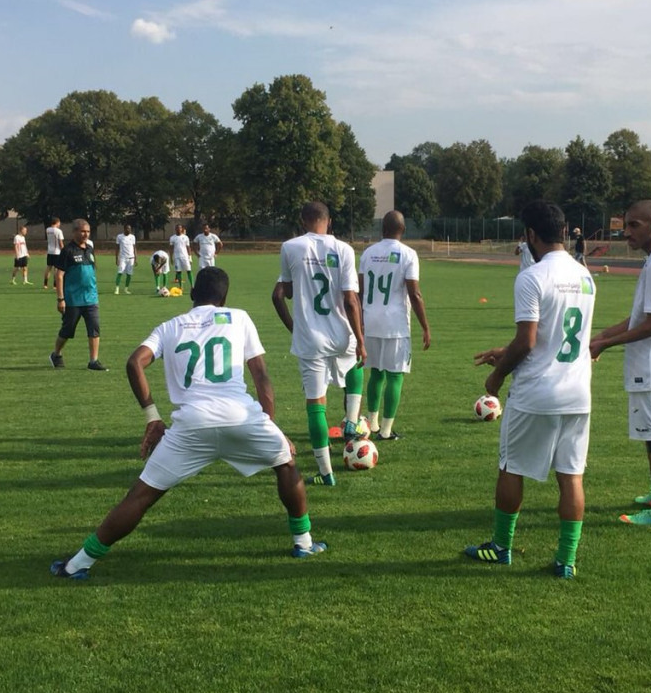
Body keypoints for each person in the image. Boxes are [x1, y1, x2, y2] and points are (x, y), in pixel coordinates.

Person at [50, 267, 326, 580]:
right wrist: (270, 428)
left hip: (191, 424)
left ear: (192, 293)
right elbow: (261, 376)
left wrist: (153, 417)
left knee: (141, 495)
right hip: (241, 416)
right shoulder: (239, 317)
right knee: (286, 465)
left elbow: (134, 362)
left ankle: (78, 564)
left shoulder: (170, 327)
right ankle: (303, 543)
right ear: (224, 298)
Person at [465, 202, 595, 580]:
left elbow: (528, 341)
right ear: (564, 231)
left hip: (537, 392)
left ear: (530, 235)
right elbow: (551, 339)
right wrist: (504, 351)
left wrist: (497, 376)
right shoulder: (586, 276)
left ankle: (501, 547)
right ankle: (566, 560)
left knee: (511, 467)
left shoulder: (532, 276)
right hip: (577, 392)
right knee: (571, 476)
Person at [590, 199, 651, 528]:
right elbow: (642, 316)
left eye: (634, 225)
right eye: (625, 225)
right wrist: (603, 335)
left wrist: (606, 343)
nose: (626, 232)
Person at [272, 201, 367, 487]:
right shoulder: (345, 249)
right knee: (355, 366)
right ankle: (351, 422)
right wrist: (361, 340)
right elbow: (351, 300)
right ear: (329, 221)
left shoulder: (290, 247)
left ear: (303, 221)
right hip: (342, 333)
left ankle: (326, 474)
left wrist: (295, 328)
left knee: (316, 406)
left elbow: (280, 294)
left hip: (311, 338)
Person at [358, 210, 431, 441]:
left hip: (370, 321)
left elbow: (359, 290)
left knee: (376, 373)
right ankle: (386, 431)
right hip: (395, 324)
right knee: (395, 376)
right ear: (404, 230)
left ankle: (372, 424)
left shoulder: (368, 253)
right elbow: (415, 294)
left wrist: (359, 321)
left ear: (382, 229)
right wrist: (425, 327)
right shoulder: (408, 254)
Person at [50, 219, 106, 371]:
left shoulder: (90, 249)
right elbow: (59, 275)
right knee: (67, 331)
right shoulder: (67, 251)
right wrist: (60, 299)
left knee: (94, 329)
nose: (85, 234)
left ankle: (93, 361)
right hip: (73, 299)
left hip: (91, 298)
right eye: (82, 231)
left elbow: (91, 271)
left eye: (88, 231)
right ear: (74, 232)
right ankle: (56, 354)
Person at [169, 224, 194, 290]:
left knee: (189, 270)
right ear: (175, 229)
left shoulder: (185, 237)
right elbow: (171, 248)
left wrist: (190, 257)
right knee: (178, 271)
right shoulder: (172, 238)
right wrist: (171, 257)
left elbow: (188, 247)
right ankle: (181, 286)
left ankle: (192, 285)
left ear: (182, 229)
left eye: (180, 228)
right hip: (177, 257)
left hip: (185, 257)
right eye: (177, 228)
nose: (178, 229)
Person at [114, 224, 137, 295]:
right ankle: (117, 289)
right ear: (124, 229)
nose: (129, 230)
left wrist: (136, 258)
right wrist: (116, 258)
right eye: (127, 228)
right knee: (120, 272)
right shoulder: (119, 236)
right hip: (123, 258)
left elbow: (134, 247)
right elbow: (117, 248)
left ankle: (126, 289)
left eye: (130, 229)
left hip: (131, 258)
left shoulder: (133, 237)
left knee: (129, 274)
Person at [43, 218, 65, 290]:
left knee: (48, 268)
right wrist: (63, 250)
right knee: (56, 269)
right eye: (59, 223)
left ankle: (45, 284)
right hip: (57, 252)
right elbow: (60, 242)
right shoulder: (58, 231)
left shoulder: (47, 230)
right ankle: (55, 285)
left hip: (49, 251)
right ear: (57, 222)